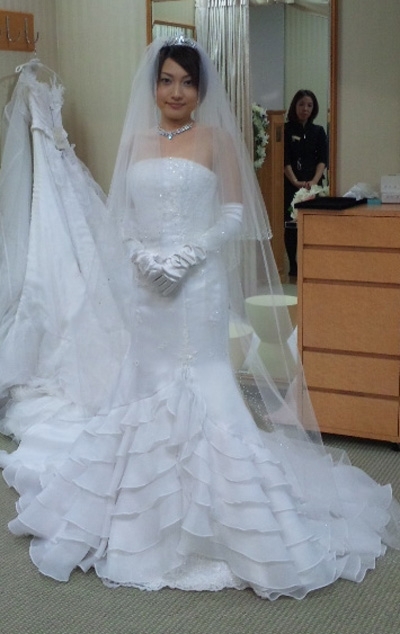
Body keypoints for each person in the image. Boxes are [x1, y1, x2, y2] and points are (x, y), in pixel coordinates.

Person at [0, 38, 399, 600]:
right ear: (153, 86)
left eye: (187, 82)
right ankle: (143, 512)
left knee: (203, 380)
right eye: (167, 80)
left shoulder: (216, 141)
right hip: (149, 289)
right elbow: (122, 216)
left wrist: (189, 254)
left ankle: (222, 519)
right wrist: (141, 255)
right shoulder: (135, 142)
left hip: (199, 283)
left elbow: (235, 214)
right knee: (148, 379)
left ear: (201, 90)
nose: (176, 92)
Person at [284, 89, 328, 278]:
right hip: (291, 183)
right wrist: (295, 181)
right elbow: (284, 159)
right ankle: (293, 265)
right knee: (291, 225)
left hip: (313, 183)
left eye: (309, 105)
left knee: (312, 224)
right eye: (301, 104)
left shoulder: (318, 131)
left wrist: (314, 182)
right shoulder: (285, 129)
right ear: (294, 106)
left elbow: (323, 159)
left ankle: (310, 262)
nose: (305, 109)